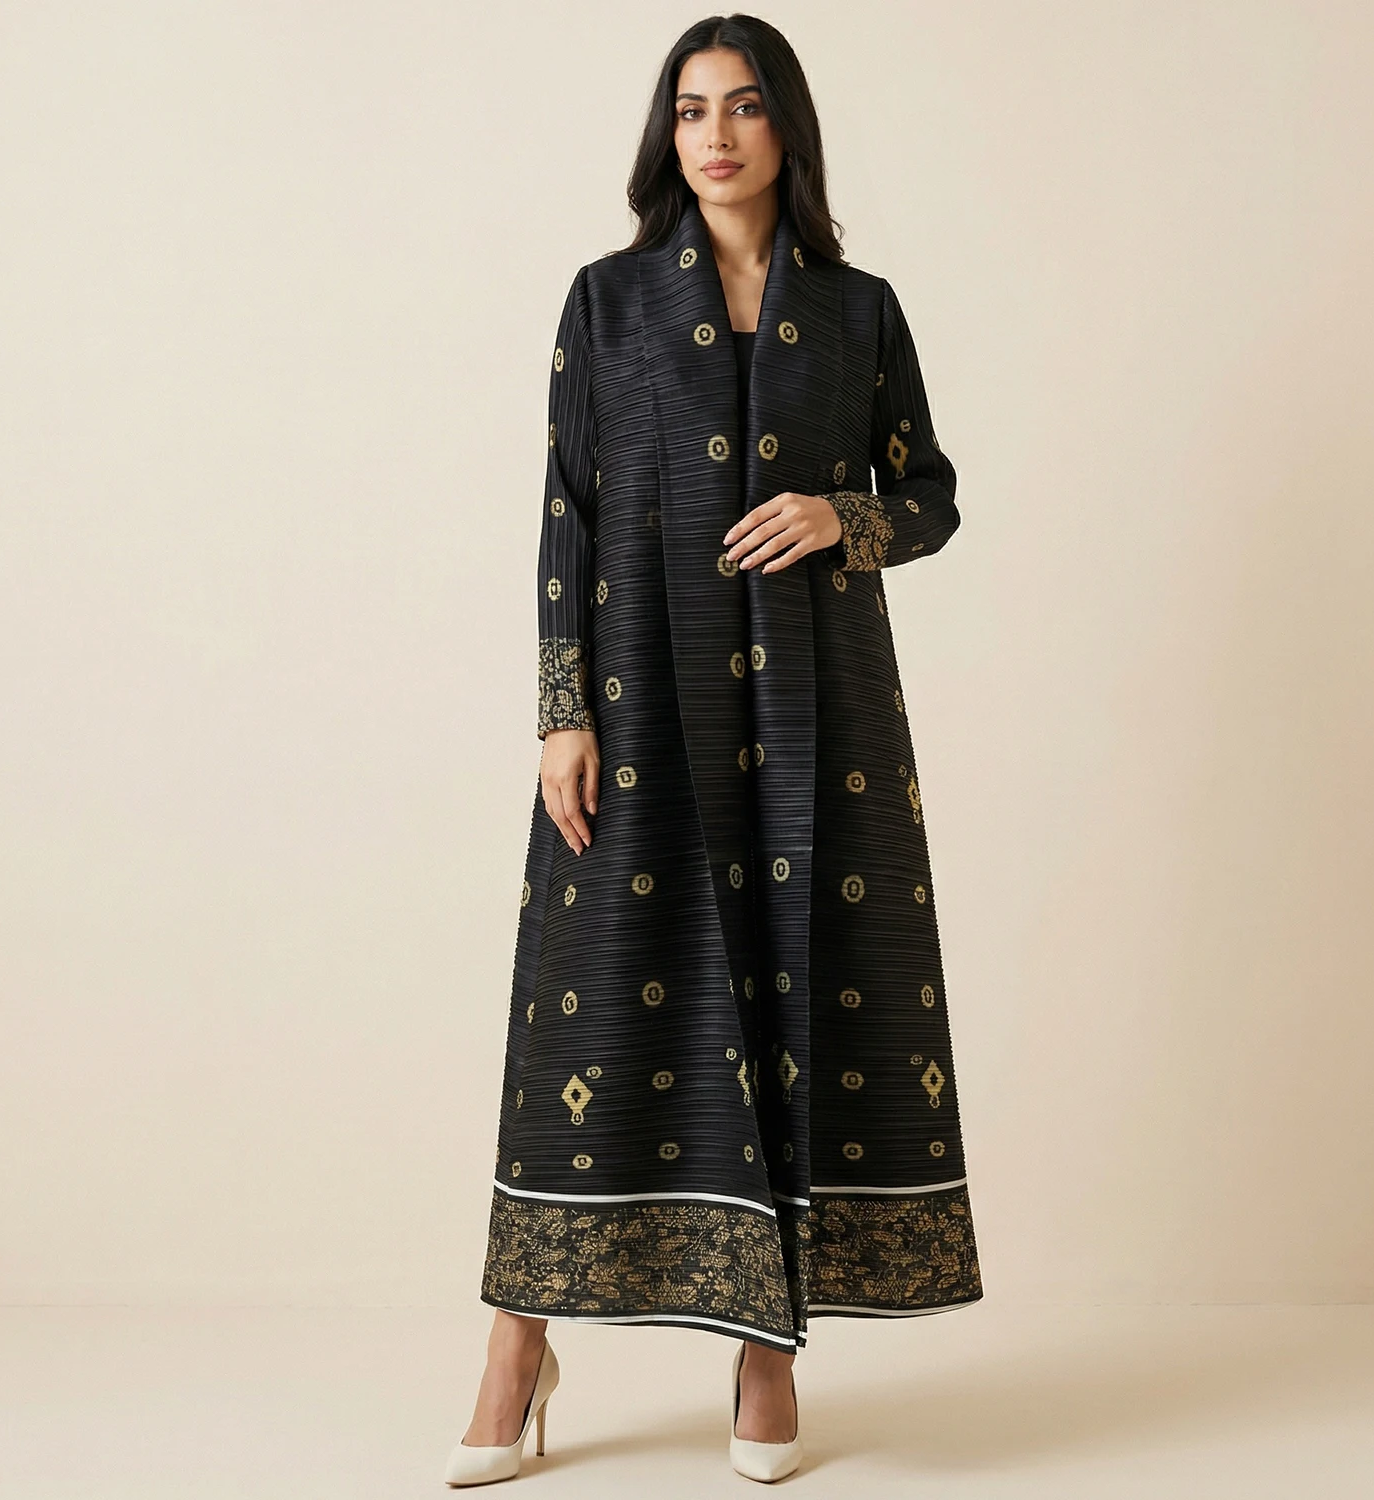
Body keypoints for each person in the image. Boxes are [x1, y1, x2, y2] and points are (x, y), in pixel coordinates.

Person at [444, 14, 982, 1487]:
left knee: (800, 986)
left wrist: (838, 517)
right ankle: (518, 1344)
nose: (718, 135)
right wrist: (562, 709)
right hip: (640, 705)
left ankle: (768, 1346)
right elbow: (567, 508)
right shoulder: (608, 302)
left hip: (820, 713)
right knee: (588, 1006)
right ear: (666, 136)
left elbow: (931, 496)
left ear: (786, 128)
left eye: (744, 107)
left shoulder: (858, 312)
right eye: (691, 111)